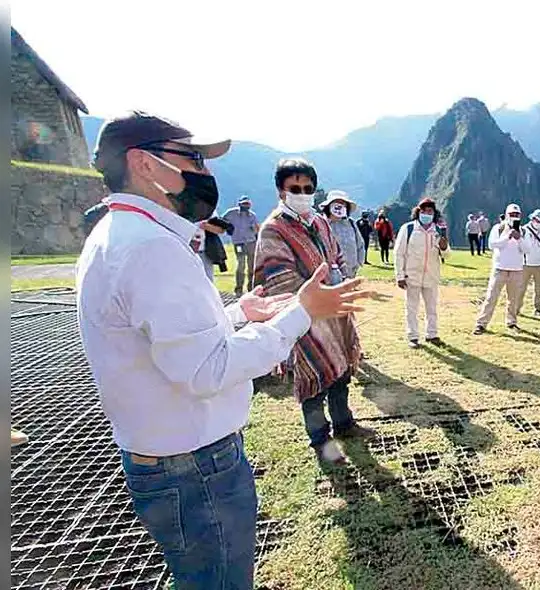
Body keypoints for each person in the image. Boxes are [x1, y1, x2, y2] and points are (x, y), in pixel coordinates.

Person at [78, 112, 371, 590]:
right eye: (191, 158)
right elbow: (208, 369)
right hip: (193, 464)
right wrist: (300, 312)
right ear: (143, 163)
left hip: (175, 455)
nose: (204, 172)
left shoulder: (125, 238)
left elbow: (174, 338)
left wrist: (237, 314)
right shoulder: (150, 248)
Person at [255, 158, 376, 465]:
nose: (302, 193)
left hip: (334, 312)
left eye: (308, 188)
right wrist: (317, 295)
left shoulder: (319, 222)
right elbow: (278, 279)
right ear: (281, 191)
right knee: (313, 381)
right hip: (302, 317)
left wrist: (341, 282)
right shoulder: (273, 230)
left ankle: (344, 424)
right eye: (295, 188)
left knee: (340, 372)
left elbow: (335, 256)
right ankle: (321, 441)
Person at [394, 197, 450, 348]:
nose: (426, 213)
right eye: (423, 211)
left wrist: (444, 247)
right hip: (412, 276)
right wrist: (399, 276)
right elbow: (399, 253)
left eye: (429, 211)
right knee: (411, 308)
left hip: (431, 275)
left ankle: (432, 335)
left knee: (431, 308)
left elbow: (446, 255)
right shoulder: (408, 229)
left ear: (434, 213)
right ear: (418, 212)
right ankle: (413, 337)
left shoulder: (438, 231)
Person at [475, 204, 529, 334]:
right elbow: (492, 245)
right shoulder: (498, 228)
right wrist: (507, 237)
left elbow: (527, 250)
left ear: (520, 216)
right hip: (500, 268)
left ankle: (512, 322)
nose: (514, 217)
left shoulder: (523, 231)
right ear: (506, 215)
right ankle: (481, 323)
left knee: (513, 299)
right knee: (491, 297)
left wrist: (519, 238)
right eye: (511, 214)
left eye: (517, 215)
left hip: (516, 269)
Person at [319, 190, 365, 278]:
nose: (339, 206)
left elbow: (360, 244)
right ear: (328, 206)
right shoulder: (320, 223)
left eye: (343, 204)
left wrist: (358, 263)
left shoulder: (351, 224)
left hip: (350, 272)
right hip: (329, 274)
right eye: (336, 203)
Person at [518, 209, 540, 317]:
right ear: (532, 219)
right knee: (521, 287)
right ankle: (517, 308)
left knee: (539, 288)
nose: (539, 223)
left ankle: (538, 309)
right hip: (525, 263)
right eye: (538, 221)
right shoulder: (523, 229)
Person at [222, 195, 260, 295]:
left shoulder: (252, 215)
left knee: (252, 267)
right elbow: (221, 221)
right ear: (239, 204)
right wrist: (227, 228)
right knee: (241, 265)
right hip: (239, 243)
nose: (246, 206)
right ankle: (238, 289)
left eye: (247, 204)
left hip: (251, 243)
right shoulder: (231, 213)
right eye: (244, 204)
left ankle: (251, 289)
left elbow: (257, 229)